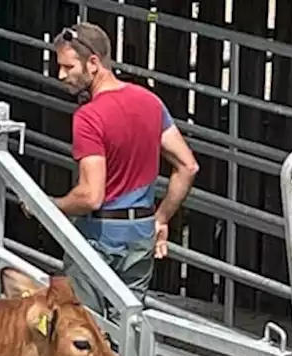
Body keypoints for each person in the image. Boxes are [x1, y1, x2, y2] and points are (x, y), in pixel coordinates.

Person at [48, 21, 199, 320]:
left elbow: (91, 196)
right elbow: (188, 166)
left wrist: (51, 205)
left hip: (100, 235)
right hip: (140, 234)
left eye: (68, 66)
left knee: (84, 330)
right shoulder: (150, 102)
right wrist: (161, 218)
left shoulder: (88, 117)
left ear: (93, 63)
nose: (61, 75)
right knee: (127, 328)